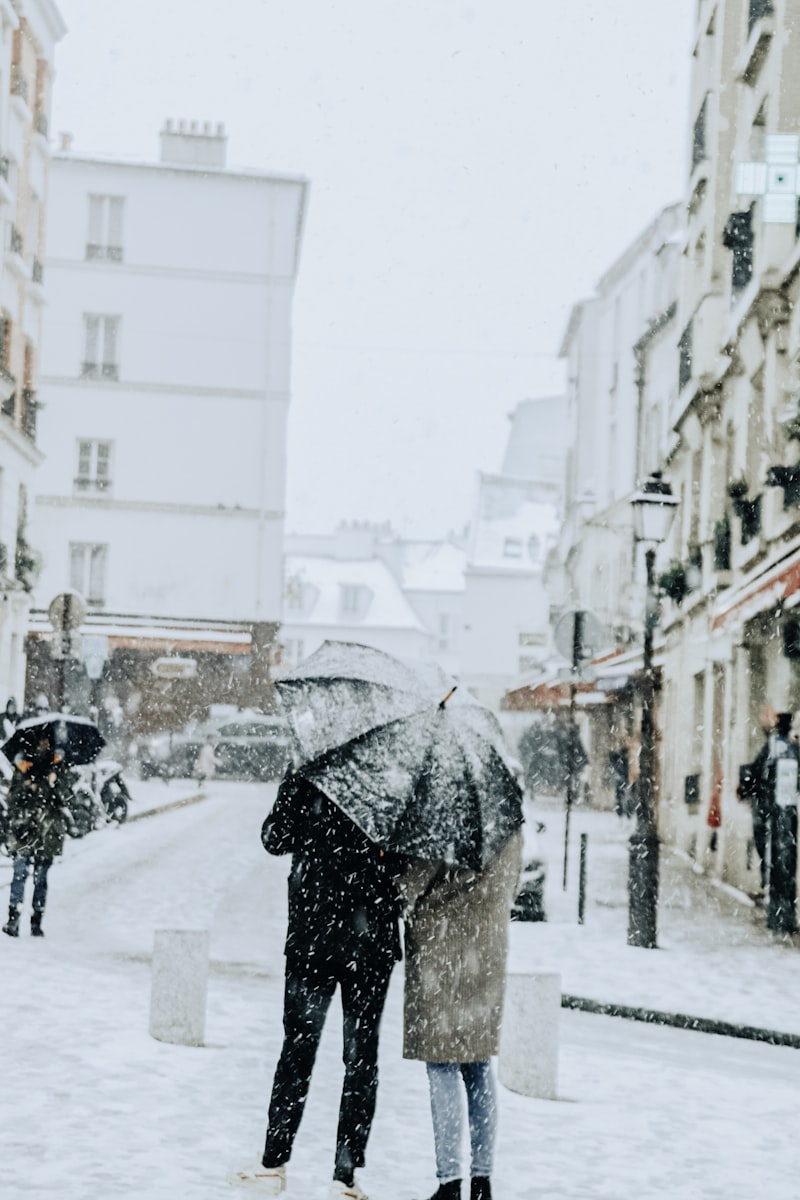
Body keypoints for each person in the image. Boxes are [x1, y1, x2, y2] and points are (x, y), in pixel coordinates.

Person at [229, 770, 403, 1199]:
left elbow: (274, 837)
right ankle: (344, 1176)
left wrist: (293, 792)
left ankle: (274, 1161)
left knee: (297, 1049)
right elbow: (402, 861)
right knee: (361, 1055)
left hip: (314, 934)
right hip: (371, 939)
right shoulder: (391, 778)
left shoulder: (310, 772)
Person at [399, 830, 523, 1200]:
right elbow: (513, 885)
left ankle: (449, 1181)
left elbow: (413, 882)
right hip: (486, 947)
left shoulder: (443, 811)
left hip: (442, 947)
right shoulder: (506, 815)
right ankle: (482, 1180)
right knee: (479, 1063)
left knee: (442, 1063)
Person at [2, 731, 71, 938]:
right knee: (20, 873)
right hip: (24, 830)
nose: (43, 746)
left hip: (48, 832)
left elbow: (67, 799)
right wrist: (26, 787)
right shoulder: (23, 768)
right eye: (39, 742)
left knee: (40, 878)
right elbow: (12, 799)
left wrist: (54, 783)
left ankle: (36, 921)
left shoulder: (58, 768)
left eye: (46, 742)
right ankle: (13, 918)